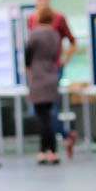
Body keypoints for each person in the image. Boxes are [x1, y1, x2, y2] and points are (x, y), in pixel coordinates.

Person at [24, 9, 65, 165]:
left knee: (42, 118)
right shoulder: (55, 35)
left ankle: (45, 151)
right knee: (48, 115)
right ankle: (52, 151)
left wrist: (29, 69)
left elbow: (28, 56)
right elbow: (57, 56)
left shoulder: (35, 34)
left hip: (38, 77)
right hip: (52, 76)